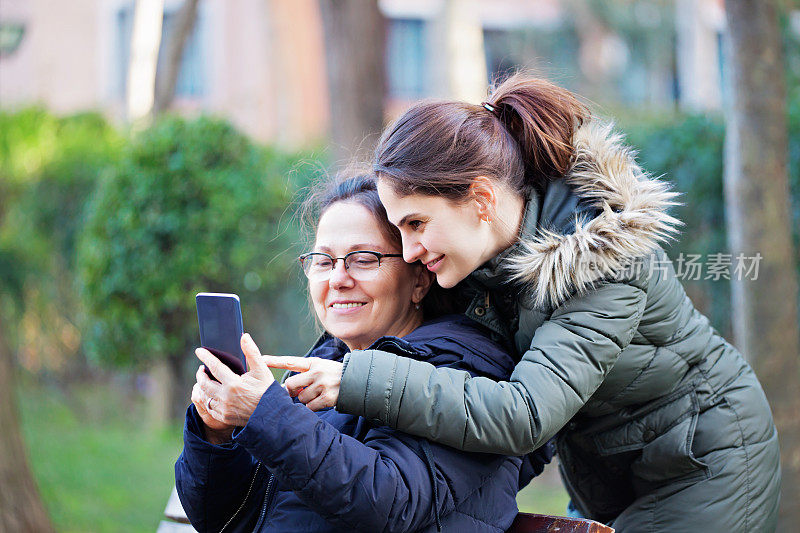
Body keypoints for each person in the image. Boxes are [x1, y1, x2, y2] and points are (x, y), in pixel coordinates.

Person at [265, 75, 781, 531]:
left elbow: (525, 412)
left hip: (708, 462)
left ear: (483, 200)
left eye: (416, 224)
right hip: (612, 468)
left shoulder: (603, 262)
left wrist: (356, 378)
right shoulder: (472, 263)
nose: (407, 251)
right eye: (398, 230)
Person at [175, 175, 542, 533]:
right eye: (322, 260)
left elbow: (388, 503)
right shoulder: (324, 365)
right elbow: (221, 519)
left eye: (363, 259)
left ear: (419, 279)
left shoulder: (462, 371)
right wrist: (215, 434)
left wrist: (265, 413)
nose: (337, 279)